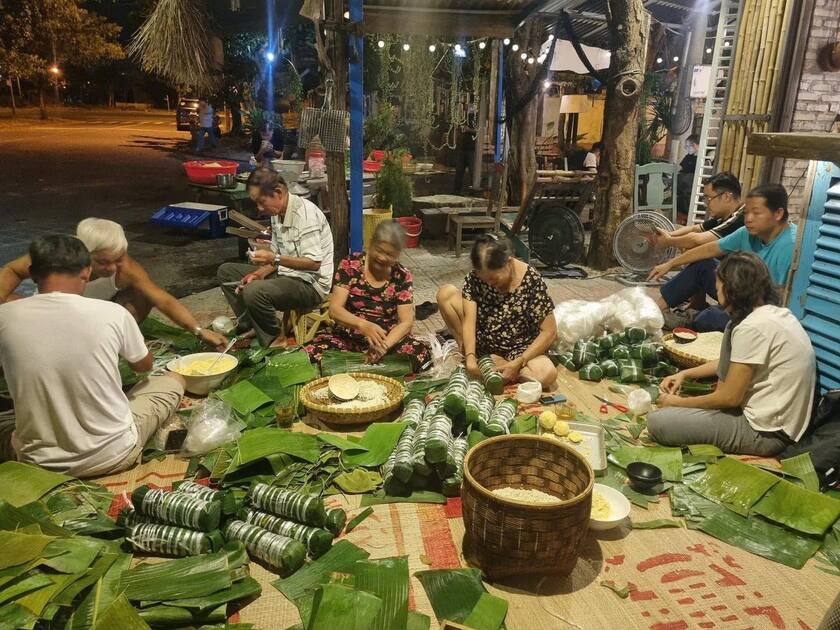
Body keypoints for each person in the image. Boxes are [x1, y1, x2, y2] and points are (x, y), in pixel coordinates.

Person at [0, 235, 186, 477]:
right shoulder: (113, 313)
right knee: (173, 380)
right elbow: (144, 366)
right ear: (87, 272)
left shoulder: (5, 316)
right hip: (113, 454)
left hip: (38, 463)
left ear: (33, 273)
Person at [647, 252, 815, 456]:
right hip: (779, 425)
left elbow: (730, 398)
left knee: (659, 423)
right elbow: (738, 363)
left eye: (718, 288)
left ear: (732, 289)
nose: (717, 295)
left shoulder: (751, 327)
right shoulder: (773, 314)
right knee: (730, 326)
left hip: (765, 434)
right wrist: (685, 374)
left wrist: (678, 403)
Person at [0, 218, 228, 350]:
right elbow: (11, 269)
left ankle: (117, 343)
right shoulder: (56, 257)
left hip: (97, 318)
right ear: (83, 254)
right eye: (103, 262)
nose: (112, 267)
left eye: (118, 259)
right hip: (55, 314)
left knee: (143, 294)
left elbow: (162, 298)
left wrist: (199, 331)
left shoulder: (123, 265)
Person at [648, 184, 797, 331]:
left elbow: (778, 305)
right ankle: (654, 312)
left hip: (761, 310)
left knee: (712, 318)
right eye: (746, 213)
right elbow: (709, 249)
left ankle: (690, 321)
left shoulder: (791, 247)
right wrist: (669, 264)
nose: (748, 219)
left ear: (778, 214)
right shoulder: (746, 232)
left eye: (756, 213)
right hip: (738, 293)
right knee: (702, 263)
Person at [217, 168, 334, 347]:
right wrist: (259, 273)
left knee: (254, 291)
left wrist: (274, 259)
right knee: (227, 272)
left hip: (310, 284)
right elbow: (277, 258)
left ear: (278, 193)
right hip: (287, 274)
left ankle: (275, 339)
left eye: (261, 202)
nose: (259, 208)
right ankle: (251, 325)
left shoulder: (305, 214)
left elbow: (313, 263)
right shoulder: (277, 214)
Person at [303, 222, 431, 370]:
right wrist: (363, 325)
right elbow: (335, 310)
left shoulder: (402, 275)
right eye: (379, 250)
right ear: (371, 243)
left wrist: (383, 347)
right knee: (311, 354)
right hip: (347, 338)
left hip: (386, 341)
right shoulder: (351, 264)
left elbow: (406, 322)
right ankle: (364, 368)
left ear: (398, 255)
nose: (382, 258)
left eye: (389, 254)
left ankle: (358, 367)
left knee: (420, 355)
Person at [437, 235, 558, 389]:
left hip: (518, 347)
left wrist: (520, 361)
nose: (490, 285)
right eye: (486, 281)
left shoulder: (531, 279)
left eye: (494, 280)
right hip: (484, 337)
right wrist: (470, 356)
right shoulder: (476, 278)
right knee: (445, 294)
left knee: (546, 375)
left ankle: (504, 366)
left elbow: (550, 331)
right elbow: (469, 321)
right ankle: (479, 357)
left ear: (509, 262)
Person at [653, 172, 745, 330]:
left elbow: (698, 240)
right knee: (699, 255)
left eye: (709, 198)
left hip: (742, 292)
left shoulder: (740, 218)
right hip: (732, 284)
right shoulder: (725, 216)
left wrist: (669, 245)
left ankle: (657, 310)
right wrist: (668, 235)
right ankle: (695, 304)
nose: (706, 203)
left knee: (703, 261)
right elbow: (696, 229)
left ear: (727, 197)